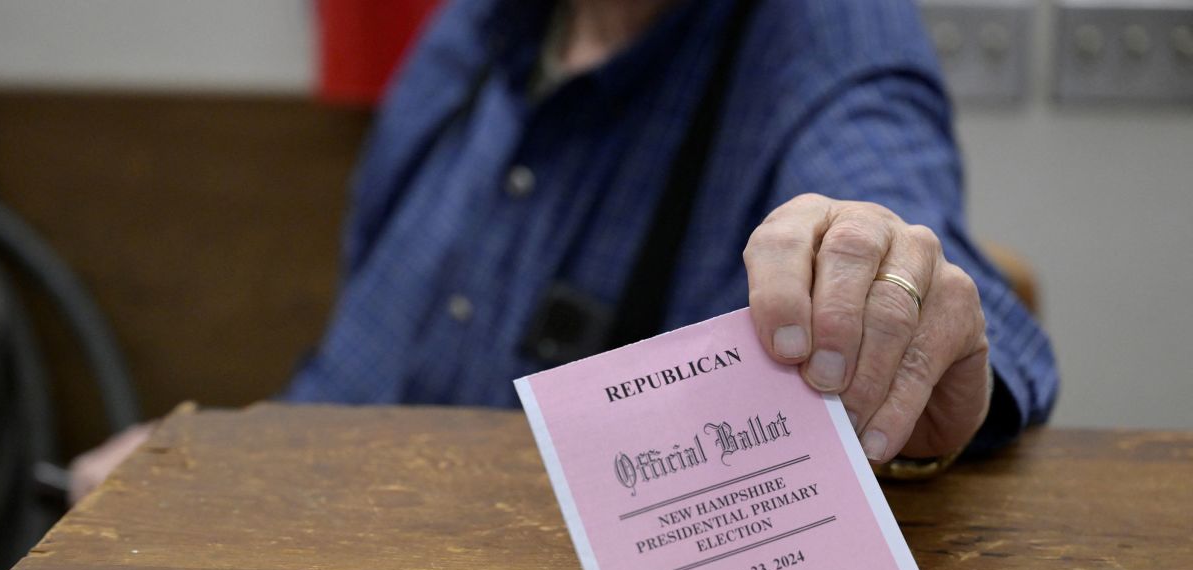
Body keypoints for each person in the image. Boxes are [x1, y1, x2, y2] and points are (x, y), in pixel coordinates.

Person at [69, 0, 1057, 502]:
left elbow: (889, 197)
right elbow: (349, 362)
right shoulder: (478, 26)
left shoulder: (819, 33)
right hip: (320, 531)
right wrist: (205, 473)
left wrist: (896, 286)